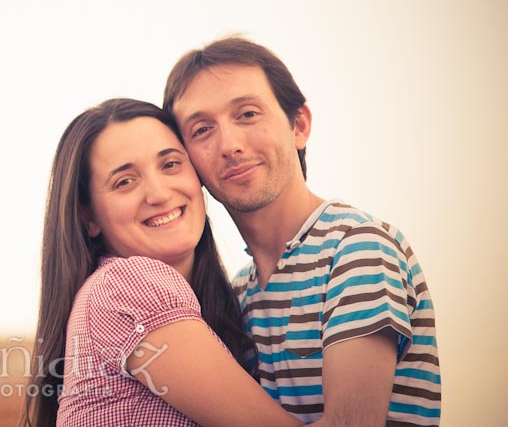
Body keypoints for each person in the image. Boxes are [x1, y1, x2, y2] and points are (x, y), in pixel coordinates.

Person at [163, 36, 441, 426]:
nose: (229, 145)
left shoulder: (356, 248)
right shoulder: (238, 293)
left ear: (299, 125)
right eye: (202, 129)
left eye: (247, 114)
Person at [21, 98, 301, 427]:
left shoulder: (225, 303)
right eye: (124, 182)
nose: (159, 193)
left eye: (170, 165)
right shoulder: (127, 284)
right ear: (89, 216)